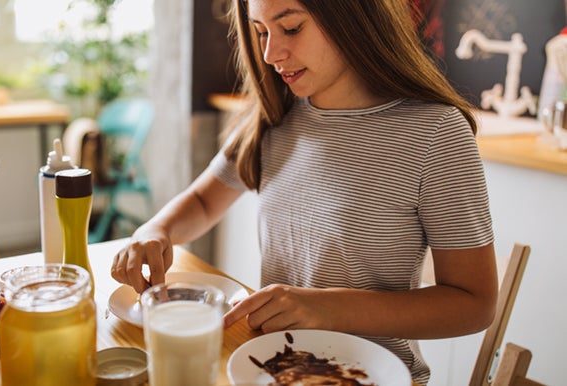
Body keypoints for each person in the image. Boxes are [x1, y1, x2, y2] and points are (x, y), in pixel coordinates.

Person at [111, 0, 497, 383]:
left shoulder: (436, 134)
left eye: (291, 28)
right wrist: (155, 231)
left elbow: (474, 303)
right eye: (261, 32)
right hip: (272, 367)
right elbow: (203, 200)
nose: (270, 53)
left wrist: (326, 307)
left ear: (353, 16)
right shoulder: (274, 115)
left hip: (370, 374)